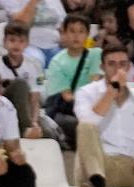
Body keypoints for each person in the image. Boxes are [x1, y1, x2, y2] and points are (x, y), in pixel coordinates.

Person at [75, 43, 134, 187]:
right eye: (111, 64)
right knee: (85, 126)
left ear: (129, 67)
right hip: (100, 165)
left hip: (132, 166)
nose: (117, 69)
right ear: (102, 67)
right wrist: (112, 89)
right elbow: (89, 123)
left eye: (122, 64)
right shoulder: (86, 93)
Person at [43, 13, 102, 142]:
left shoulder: (96, 54)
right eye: (72, 31)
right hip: (69, 108)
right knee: (75, 124)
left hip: (94, 105)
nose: (76, 36)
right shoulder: (57, 62)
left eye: (81, 31)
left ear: (87, 35)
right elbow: (67, 96)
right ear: (63, 34)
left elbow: (95, 85)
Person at [0, 21, 48, 139]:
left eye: (21, 41)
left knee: (47, 132)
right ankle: (26, 130)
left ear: (27, 43)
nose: (16, 45)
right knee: (20, 83)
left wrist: (35, 122)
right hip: (2, 110)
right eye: (12, 40)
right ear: (4, 42)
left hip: (26, 110)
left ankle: (29, 128)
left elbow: (35, 100)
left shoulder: (35, 65)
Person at [0, 0, 67, 64]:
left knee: (69, 63)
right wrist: (33, 2)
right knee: (36, 62)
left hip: (54, 44)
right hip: (29, 45)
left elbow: (63, 24)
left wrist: (65, 39)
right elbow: (21, 23)